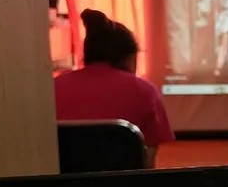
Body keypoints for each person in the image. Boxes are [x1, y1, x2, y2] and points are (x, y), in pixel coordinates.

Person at [54, 9, 174, 167]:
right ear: (129, 57)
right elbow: (147, 166)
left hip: (62, 182)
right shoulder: (145, 92)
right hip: (124, 183)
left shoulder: (53, 88)